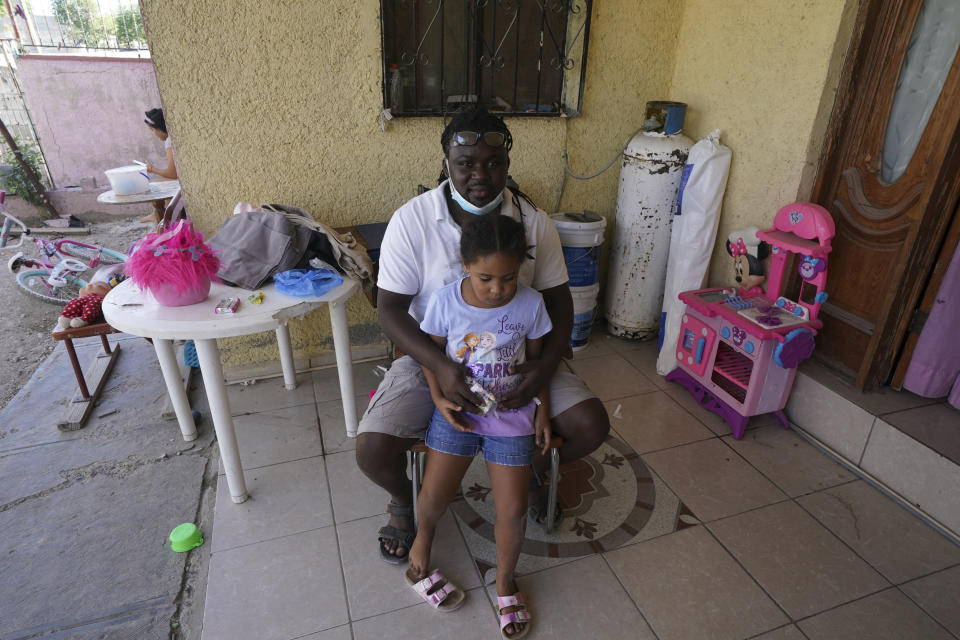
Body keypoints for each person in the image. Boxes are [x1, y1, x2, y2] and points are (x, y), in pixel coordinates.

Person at [356, 107, 610, 564]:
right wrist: (440, 368)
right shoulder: (412, 221)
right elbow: (389, 310)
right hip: (431, 356)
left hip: (516, 356)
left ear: (507, 165)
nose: (481, 174)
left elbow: (559, 304)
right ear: (445, 164)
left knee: (590, 426)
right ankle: (402, 500)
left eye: (493, 163)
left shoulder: (534, 222)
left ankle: (523, 465)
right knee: (373, 450)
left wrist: (543, 370)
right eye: (466, 163)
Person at [407, 213, 550, 637]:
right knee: (435, 492)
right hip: (458, 411)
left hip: (511, 414)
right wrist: (437, 398)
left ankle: (505, 581)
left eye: (508, 278)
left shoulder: (531, 304)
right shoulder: (445, 301)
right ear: (465, 265)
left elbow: (539, 365)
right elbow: (432, 356)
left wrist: (541, 404)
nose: (498, 289)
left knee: (512, 508)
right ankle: (421, 547)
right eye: (486, 278)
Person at [140, 108, 177, 224]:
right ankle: (157, 215)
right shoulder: (172, 138)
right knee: (160, 182)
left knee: (156, 185)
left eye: (152, 129)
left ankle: (161, 217)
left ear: (159, 128)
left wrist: (152, 169)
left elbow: (172, 174)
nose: (153, 133)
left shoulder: (169, 141)